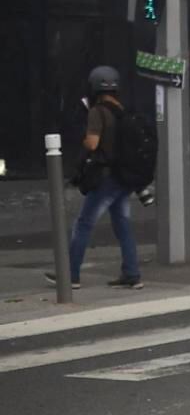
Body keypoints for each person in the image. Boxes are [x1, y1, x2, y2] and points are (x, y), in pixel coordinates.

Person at [50, 66, 144, 290]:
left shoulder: (97, 112)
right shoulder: (122, 110)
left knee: (84, 224)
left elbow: (92, 143)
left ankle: (70, 275)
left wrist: (83, 142)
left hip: (105, 178)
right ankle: (132, 274)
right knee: (123, 225)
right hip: (123, 176)